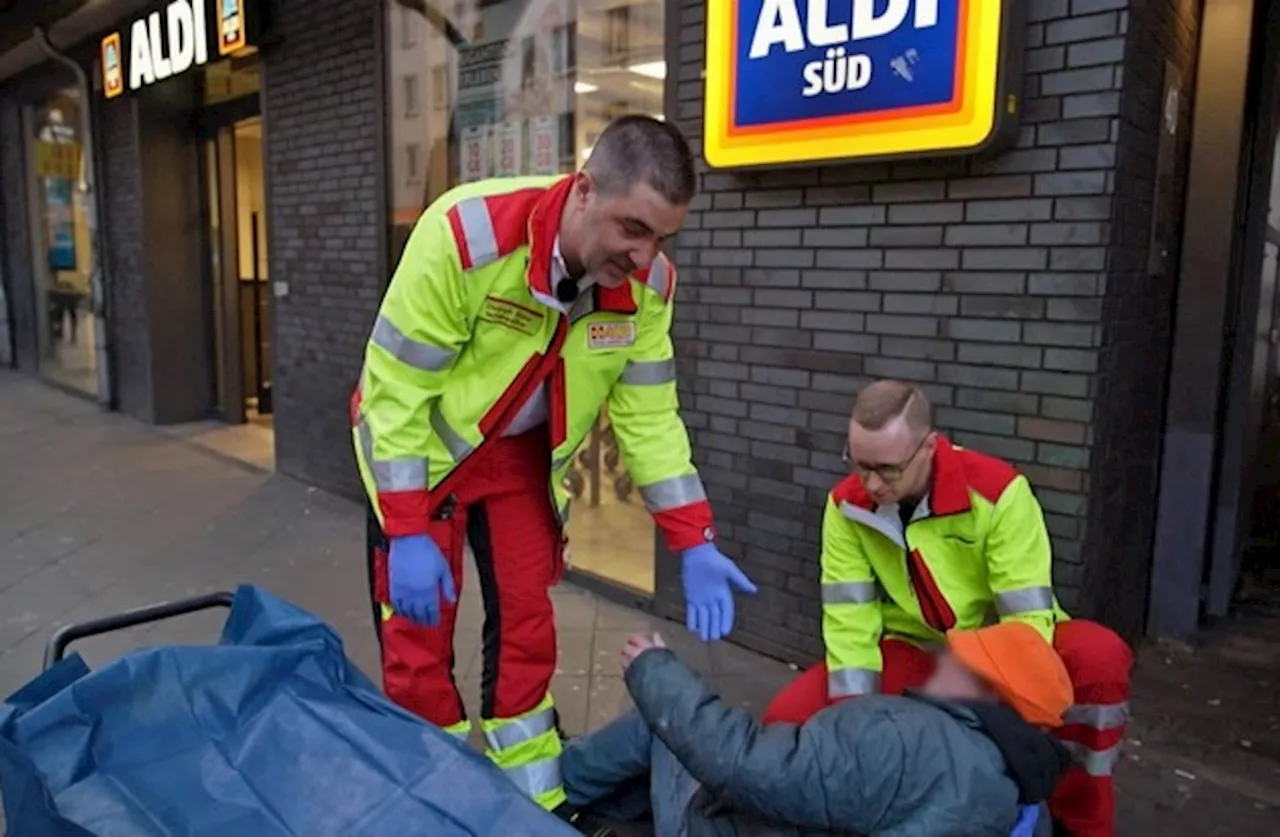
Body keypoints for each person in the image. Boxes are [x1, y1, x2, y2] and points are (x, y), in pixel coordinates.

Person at [350, 115, 757, 829]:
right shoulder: (468, 235)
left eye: (661, 236)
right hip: (422, 459)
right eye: (632, 228)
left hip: (521, 465)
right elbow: (396, 396)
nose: (644, 254)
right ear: (582, 189)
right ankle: (432, 794)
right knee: (415, 640)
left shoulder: (649, 287)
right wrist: (407, 525)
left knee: (529, 629)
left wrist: (693, 537)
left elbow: (650, 419)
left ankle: (533, 796)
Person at [761, 380, 1133, 837]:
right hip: (914, 647)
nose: (872, 484)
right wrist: (853, 724)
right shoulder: (845, 506)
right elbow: (848, 618)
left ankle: (1081, 821)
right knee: (783, 722)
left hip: (1003, 651)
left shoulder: (999, 493)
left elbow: (1027, 622)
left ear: (930, 448)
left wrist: (990, 706)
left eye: (888, 470)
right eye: (860, 465)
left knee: (1098, 656)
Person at [561, 622, 1076, 836]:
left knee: (661, 722)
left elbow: (745, 766)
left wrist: (654, 668)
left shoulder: (905, 738)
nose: (941, 659)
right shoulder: (1030, 811)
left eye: (961, 660)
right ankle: (598, 812)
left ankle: (550, 795)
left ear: (985, 692)